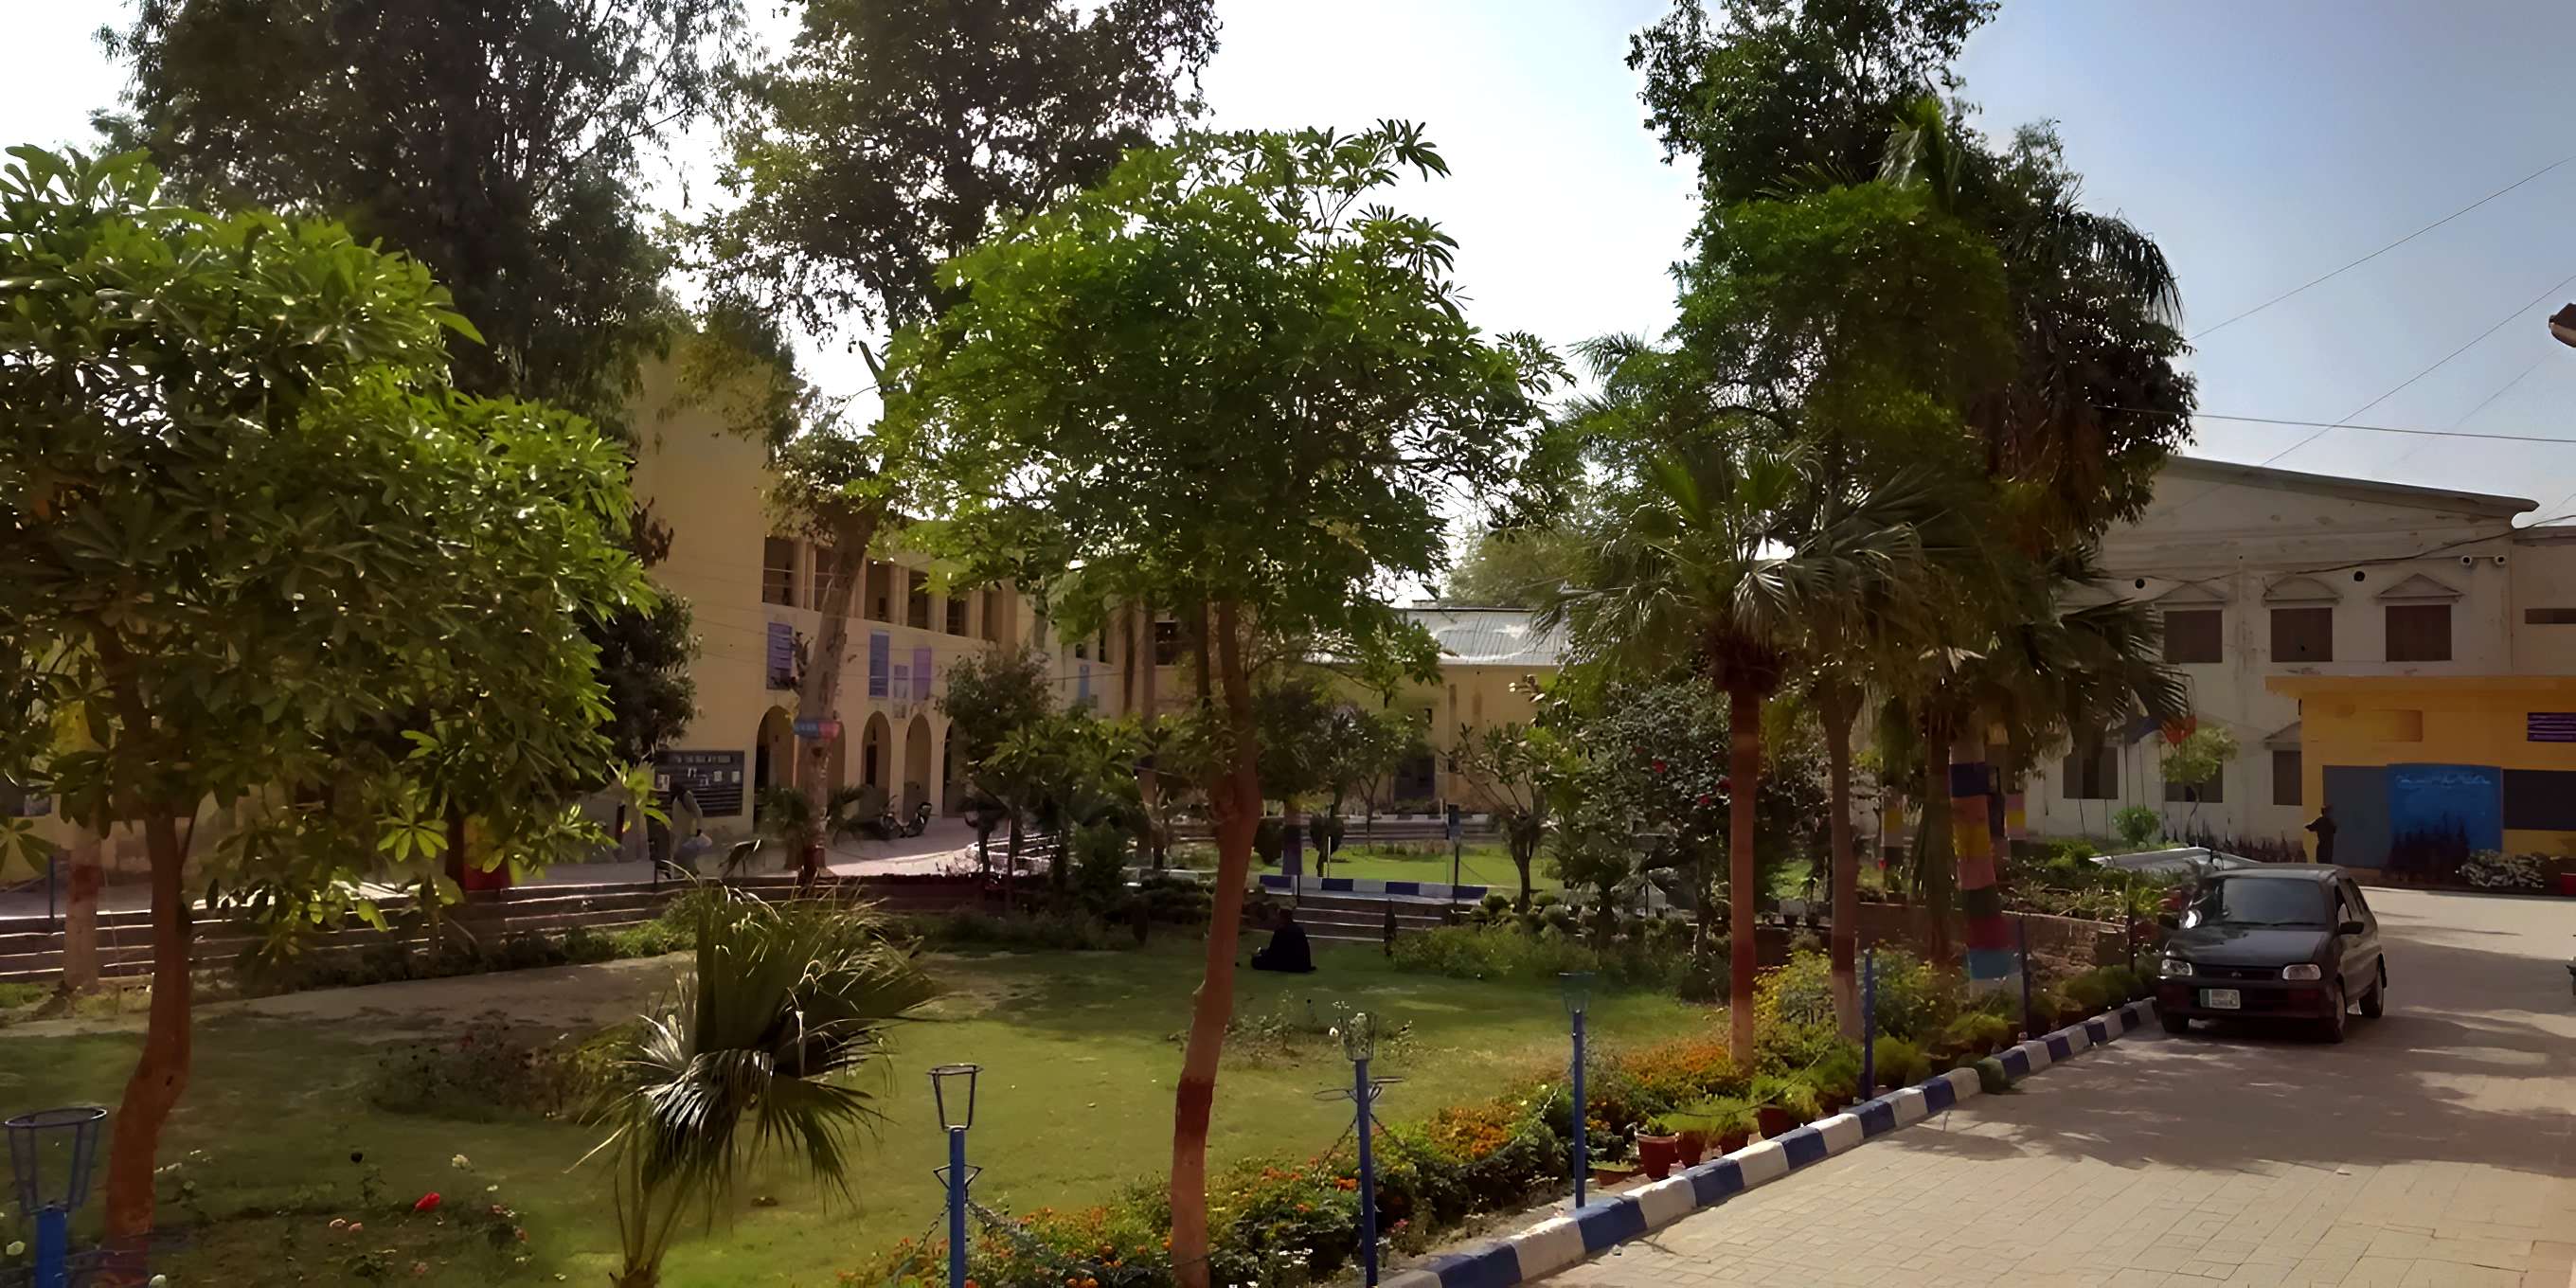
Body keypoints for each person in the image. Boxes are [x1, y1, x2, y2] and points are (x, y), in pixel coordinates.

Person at [1249, 904, 1316, 974]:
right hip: (1302, 964)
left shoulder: (1281, 931)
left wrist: (1261, 954)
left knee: (1256, 961)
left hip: (1289, 963)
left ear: (1282, 918)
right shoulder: (1299, 929)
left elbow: (1273, 952)